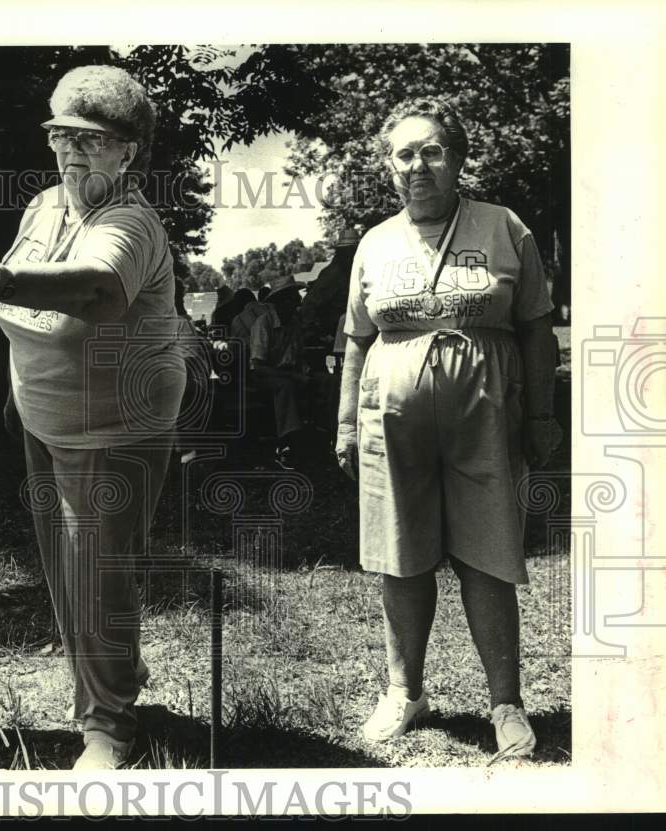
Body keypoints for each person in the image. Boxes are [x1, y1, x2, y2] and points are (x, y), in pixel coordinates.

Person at [0, 65, 185, 770]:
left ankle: (108, 725)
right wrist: (18, 397)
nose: (69, 151)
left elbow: (100, 292)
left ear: (128, 151)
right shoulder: (47, 205)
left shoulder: (132, 222)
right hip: (46, 417)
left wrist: (4, 281)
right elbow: (22, 310)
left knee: (97, 575)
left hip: (116, 427)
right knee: (65, 568)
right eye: (58, 136)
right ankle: (116, 684)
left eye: (90, 140)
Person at [335, 98, 562, 761]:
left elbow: (536, 327)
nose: (418, 166)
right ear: (388, 167)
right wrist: (346, 422)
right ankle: (405, 690)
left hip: (485, 413)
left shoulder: (503, 226)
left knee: (487, 552)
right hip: (390, 419)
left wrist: (543, 413)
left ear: (457, 159)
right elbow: (356, 339)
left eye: (432, 151)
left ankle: (506, 701)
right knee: (400, 554)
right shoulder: (374, 242)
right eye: (404, 154)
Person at [249, 274, 309, 469]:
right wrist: (293, 375)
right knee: (285, 386)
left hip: (289, 373)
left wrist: (305, 372)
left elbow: (298, 356)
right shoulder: (263, 324)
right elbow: (258, 365)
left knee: (328, 382)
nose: (298, 302)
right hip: (265, 375)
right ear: (282, 301)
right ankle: (287, 444)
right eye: (293, 298)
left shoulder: (294, 323)